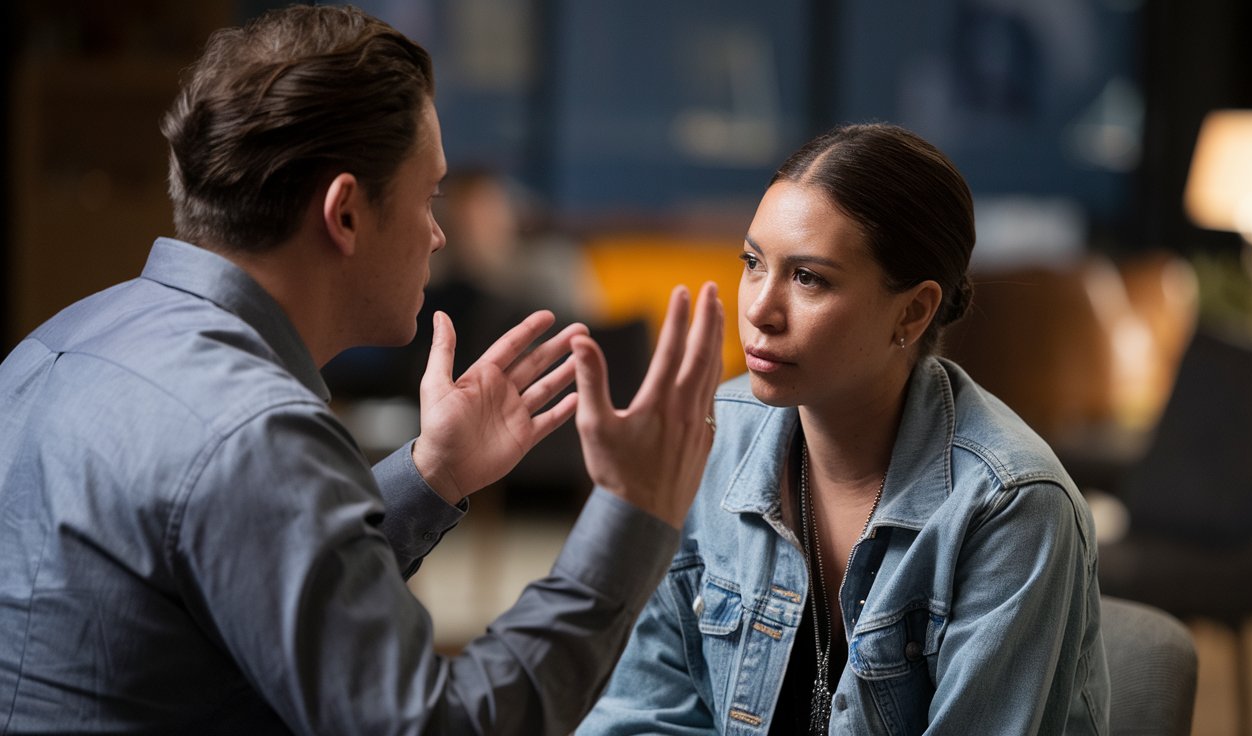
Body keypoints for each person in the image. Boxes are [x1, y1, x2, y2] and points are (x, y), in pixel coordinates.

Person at [0, 6, 723, 735]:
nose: (439, 235)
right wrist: (632, 513)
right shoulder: (255, 432)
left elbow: (233, 563)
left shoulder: (51, 345)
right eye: (430, 196)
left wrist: (432, 472)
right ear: (344, 213)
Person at [577, 123, 1109, 734]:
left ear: (912, 310)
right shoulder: (712, 436)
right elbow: (641, 712)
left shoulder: (1011, 506)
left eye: (809, 278)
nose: (758, 310)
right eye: (753, 263)